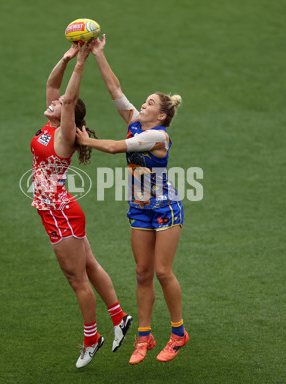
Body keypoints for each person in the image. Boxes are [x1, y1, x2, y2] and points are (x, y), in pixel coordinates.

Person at [75, 36, 188, 365]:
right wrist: (98, 54)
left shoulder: (157, 136)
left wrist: (85, 140)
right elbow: (115, 90)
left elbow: (113, 148)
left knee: (163, 272)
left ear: (162, 115)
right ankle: (144, 336)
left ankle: (179, 333)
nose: (143, 104)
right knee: (142, 272)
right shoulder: (138, 124)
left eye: (150, 102)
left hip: (166, 208)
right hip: (140, 208)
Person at [31, 43, 132, 368]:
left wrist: (83, 61)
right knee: (88, 265)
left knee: (77, 280)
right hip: (60, 210)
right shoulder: (51, 125)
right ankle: (119, 318)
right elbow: (52, 87)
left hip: (59, 214)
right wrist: (66, 57)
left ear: (68, 116)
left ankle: (92, 339)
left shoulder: (63, 135)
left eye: (60, 105)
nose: (54, 102)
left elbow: (69, 98)